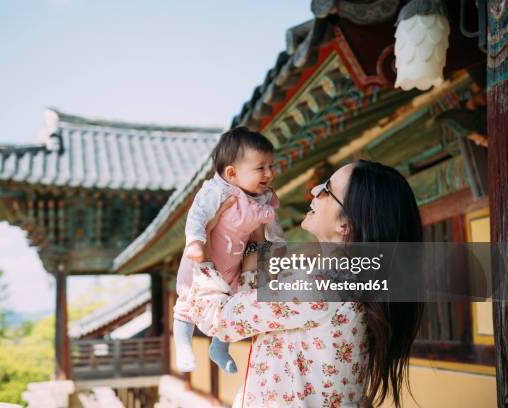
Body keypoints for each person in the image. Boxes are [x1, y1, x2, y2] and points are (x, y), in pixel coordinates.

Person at [187, 160, 424, 407]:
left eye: (326, 190)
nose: (313, 192)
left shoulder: (319, 285)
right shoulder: (354, 281)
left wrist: (200, 251)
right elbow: (265, 311)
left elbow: (218, 318)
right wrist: (258, 247)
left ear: (345, 225)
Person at [173, 127, 286, 374]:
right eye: (261, 168)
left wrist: (276, 247)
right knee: (187, 301)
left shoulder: (262, 198)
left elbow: (271, 228)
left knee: (233, 302)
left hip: (234, 264)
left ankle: (219, 348)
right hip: (203, 257)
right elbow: (198, 216)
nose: (269, 173)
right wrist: (194, 241)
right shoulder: (216, 192)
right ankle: (182, 344)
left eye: (270, 166)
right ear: (232, 173)